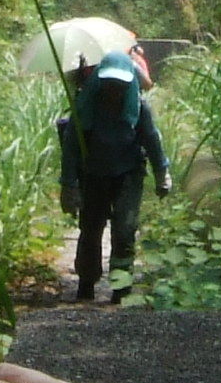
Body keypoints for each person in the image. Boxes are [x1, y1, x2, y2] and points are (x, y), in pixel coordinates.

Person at [54, 45, 170, 304]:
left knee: (125, 229)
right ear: (99, 81)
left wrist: (162, 172)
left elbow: (152, 140)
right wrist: (69, 186)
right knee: (91, 228)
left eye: (120, 84)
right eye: (109, 83)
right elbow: (71, 148)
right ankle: (86, 283)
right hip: (93, 175)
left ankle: (121, 287)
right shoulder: (85, 108)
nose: (114, 89)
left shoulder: (138, 109)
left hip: (128, 174)